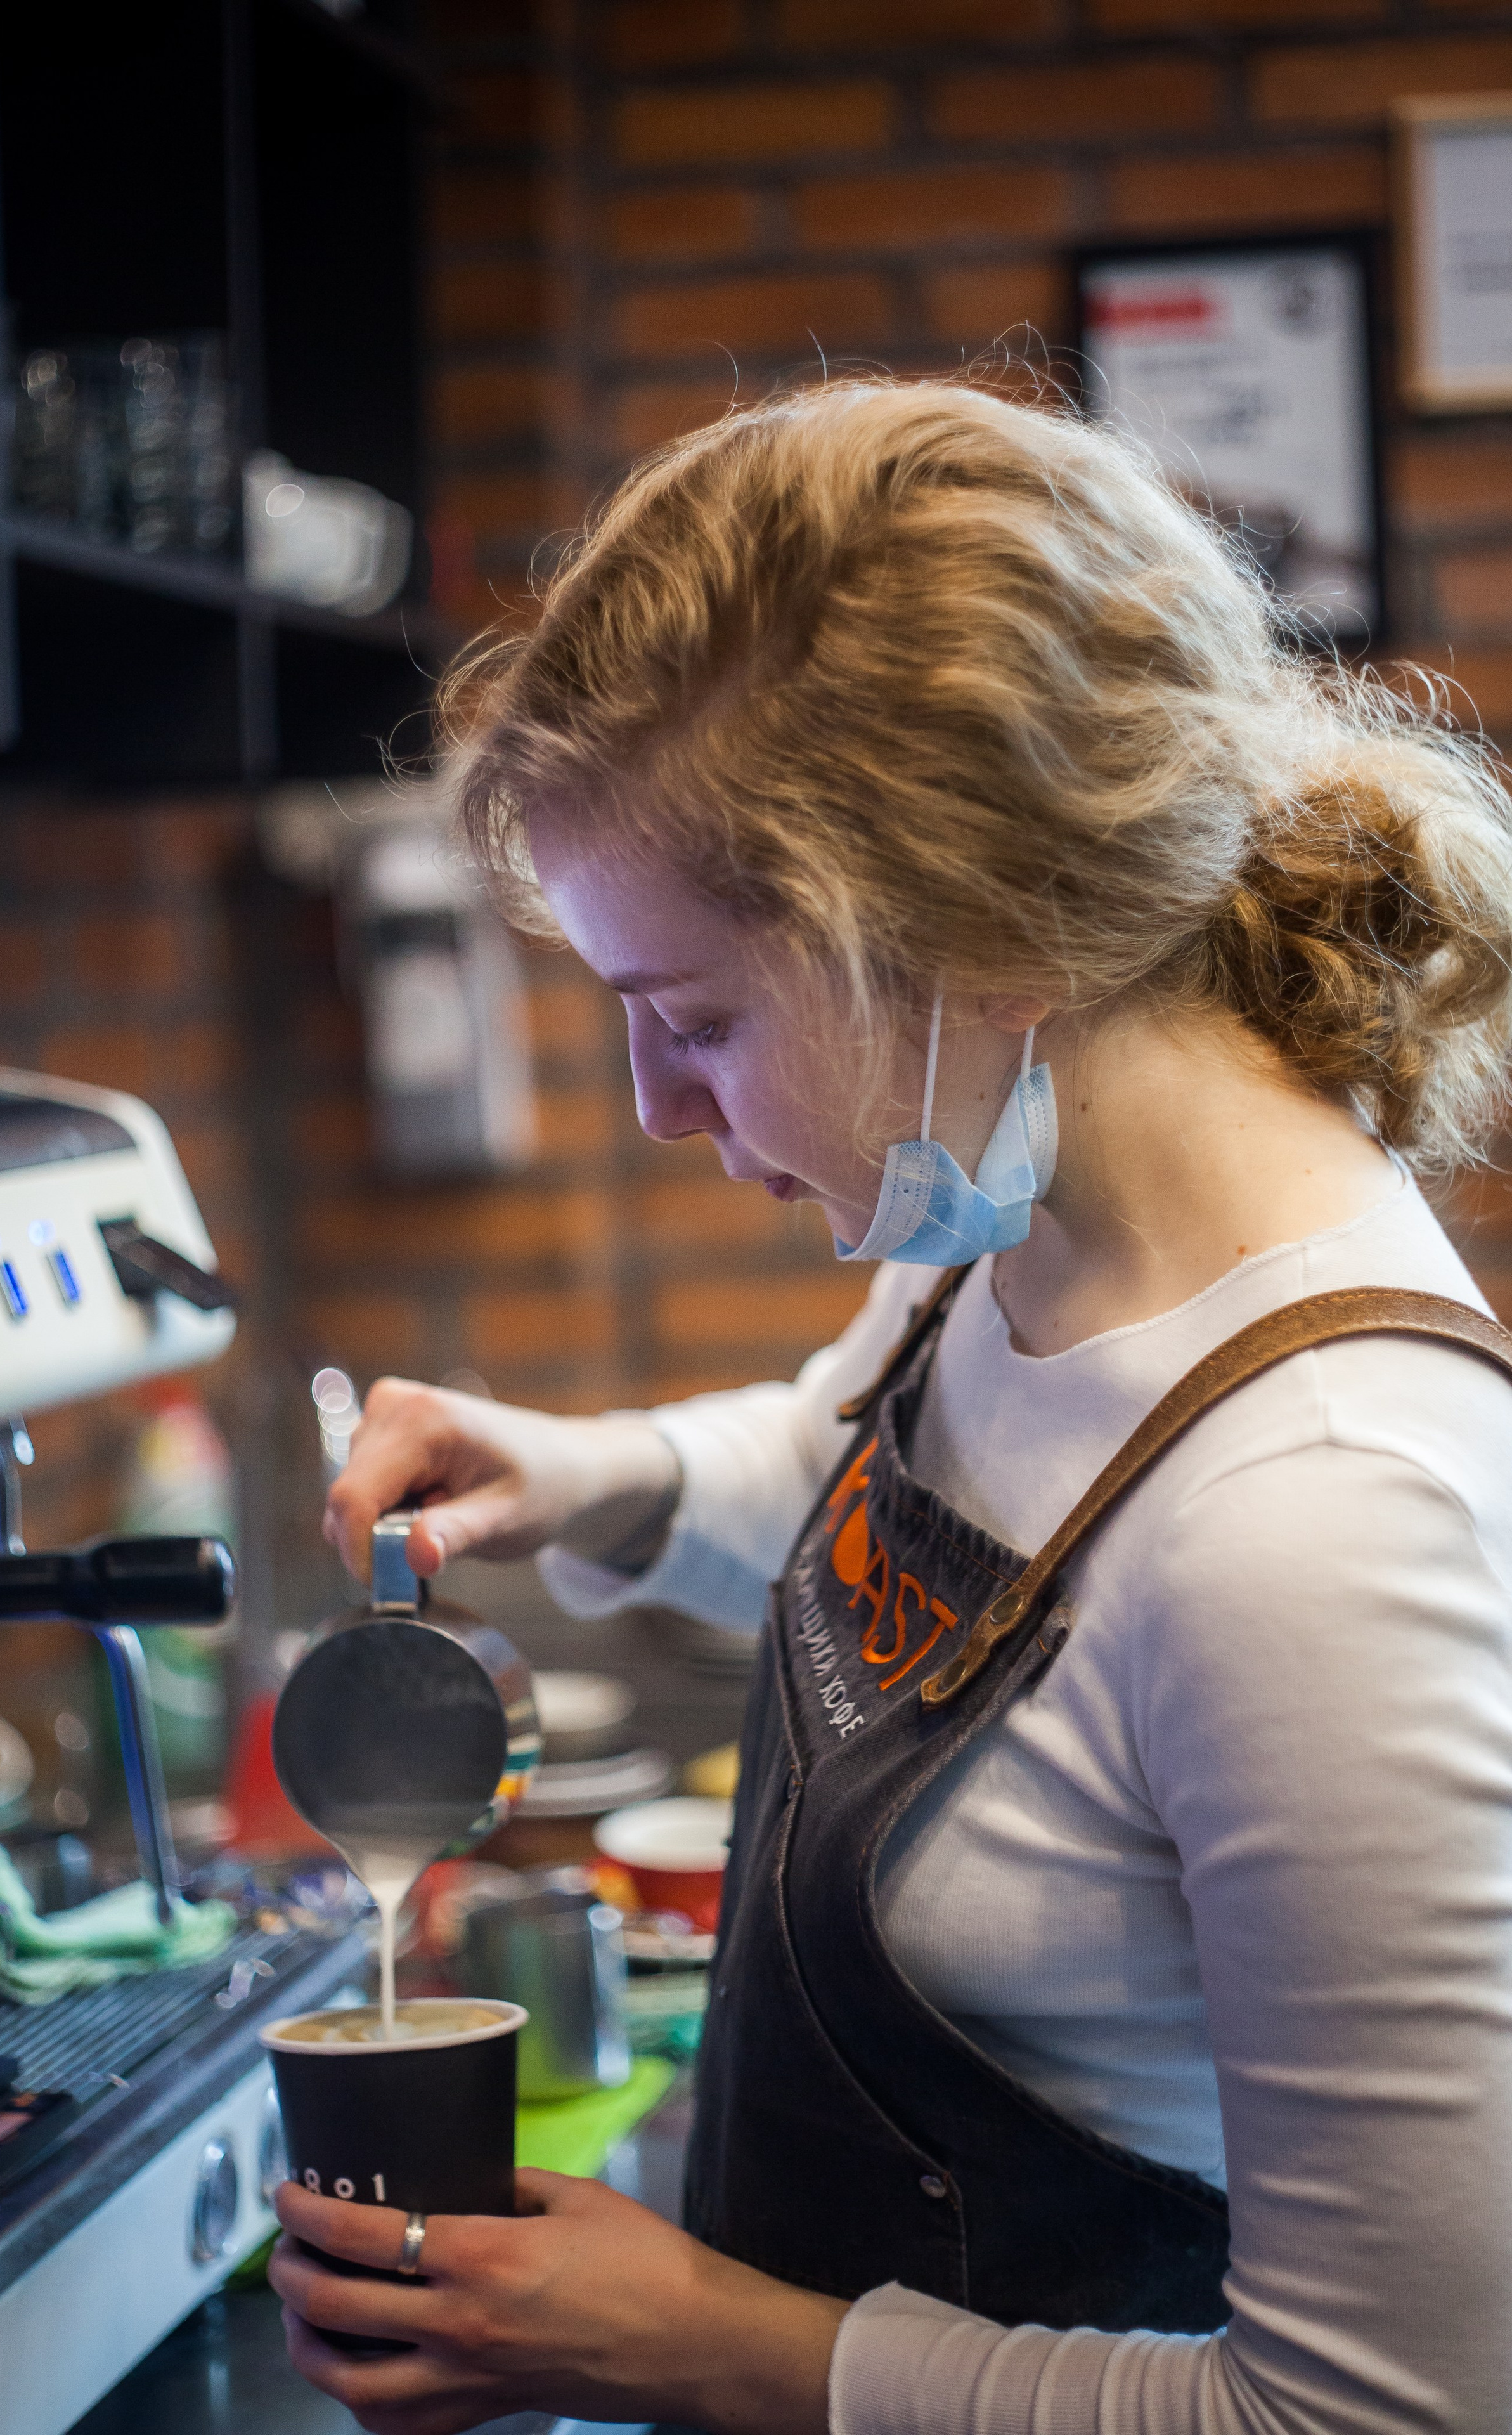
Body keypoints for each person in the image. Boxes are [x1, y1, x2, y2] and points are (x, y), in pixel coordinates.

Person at [269, 379, 1512, 2435]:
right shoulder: (1009, 1207)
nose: (667, 1109)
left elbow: (1392, 2414)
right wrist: (587, 1477)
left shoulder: (1328, 1521)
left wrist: (693, 2348)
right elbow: (880, 1495)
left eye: (699, 1019)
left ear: (989, 934)